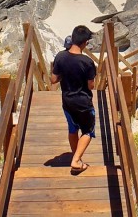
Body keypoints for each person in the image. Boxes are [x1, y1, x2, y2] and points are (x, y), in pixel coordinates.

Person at [51, 25, 96, 174]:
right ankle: (76, 160)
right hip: (83, 102)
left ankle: (76, 158)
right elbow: (91, 85)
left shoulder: (60, 57)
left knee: (72, 129)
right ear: (85, 43)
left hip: (67, 101)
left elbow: (53, 80)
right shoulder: (87, 62)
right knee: (88, 131)